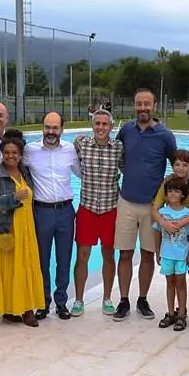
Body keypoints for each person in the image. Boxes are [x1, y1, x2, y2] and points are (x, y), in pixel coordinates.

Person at [112, 89, 177, 321]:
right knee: (125, 253)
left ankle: (142, 298)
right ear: (134, 105)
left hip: (152, 206)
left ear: (154, 106)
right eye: (139, 104)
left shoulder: (165, 135)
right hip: (127, 202)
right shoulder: (126, 130)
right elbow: (115, 156)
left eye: (147, 104)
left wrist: (169, 191)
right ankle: (123, 300)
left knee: (148, 254)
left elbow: (177, 165)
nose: (143, 108)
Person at [0, 129, 45, 327]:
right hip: (7, 227)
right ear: (2, 154)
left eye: (15, 153)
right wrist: (13, 198)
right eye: (7, 152)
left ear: (20, 155)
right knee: (9, 271)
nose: (11, 156)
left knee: (26, 267)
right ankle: (10, 310)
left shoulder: (25, 171)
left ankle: (28, 309)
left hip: (26, 228)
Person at [23, 112, 80, 320]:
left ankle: (62, 301)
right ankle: (42, 302)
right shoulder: (30, 151)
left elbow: (82, 173)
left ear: (62, 129)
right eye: (47, 127)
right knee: (41, 260)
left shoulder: (70, 150)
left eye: (55, 128)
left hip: (66, 211)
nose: (51, 132)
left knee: (64, 259)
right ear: (42, 128)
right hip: (41, 211)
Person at [73, 109, 124, 317]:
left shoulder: (119, 148)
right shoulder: (81, 144)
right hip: (87, 209)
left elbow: (129, 168)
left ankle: (107, 298)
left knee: (108, 255)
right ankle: (78, 299)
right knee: (82, 255)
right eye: (97, 123)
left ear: (111, 127)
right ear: (92, 126)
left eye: (105, 124)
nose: (101, 127)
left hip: (110, 209)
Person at [151, 149, 189, 325]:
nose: (181, 168)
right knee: (173, 279)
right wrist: (164, 223)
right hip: (170, 236)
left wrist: (182, 222)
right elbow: (155, 208)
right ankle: (176, 311)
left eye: (185, 165)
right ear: (172, 165)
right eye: (177, 164)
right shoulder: (167, 184)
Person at [153, 176, 189, 331]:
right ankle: (171, 312)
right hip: (167, 254)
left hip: (181, 255)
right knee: (169, 283)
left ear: (182, 195)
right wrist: (157, 251)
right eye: (169, 191)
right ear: (165, 195)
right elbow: (157, 233)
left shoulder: (187, 213)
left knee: (181, 283)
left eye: (176, 191)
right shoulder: (162, 213)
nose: (172, 194)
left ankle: (182, 313)